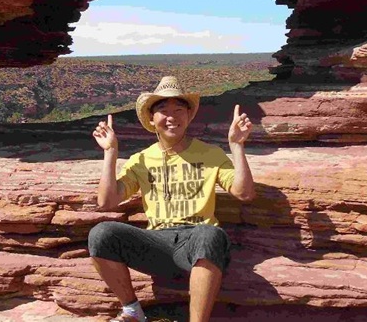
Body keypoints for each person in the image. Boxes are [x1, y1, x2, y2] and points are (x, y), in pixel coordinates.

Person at [88, 76, 255, 322]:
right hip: (157, 243)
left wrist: (237, 146)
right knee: (101, 234)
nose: (171, 117)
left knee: (210, 234)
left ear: (189, 115)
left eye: (179, 110)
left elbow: (244, 192)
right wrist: (111, 152)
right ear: (152, 119)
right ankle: (133, 311)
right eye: (163, 111)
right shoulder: (141, 160)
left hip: (198, 242)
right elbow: (107, 202)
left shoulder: (210, 154)